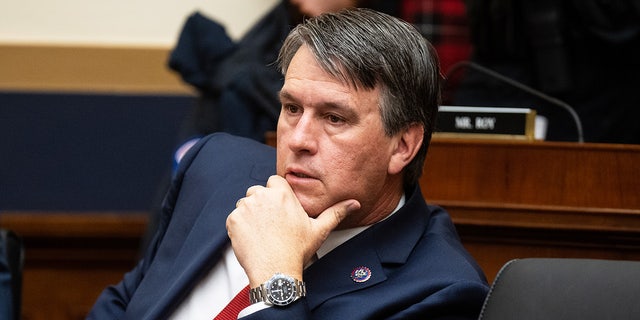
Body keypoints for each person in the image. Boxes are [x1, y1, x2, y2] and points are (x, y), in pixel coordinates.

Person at [88, 8, 489, 320]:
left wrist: (276, 280)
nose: (297, 140)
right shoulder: (214, 167)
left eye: (335, 118)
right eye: (292, 108)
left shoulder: (441, 292)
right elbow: (128, 302)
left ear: (403, 145)